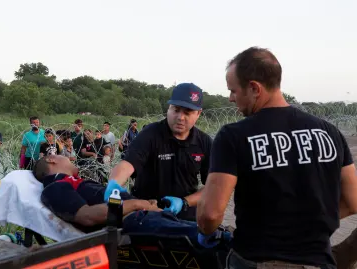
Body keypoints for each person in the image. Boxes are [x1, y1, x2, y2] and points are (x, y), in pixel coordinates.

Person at [196, 47, 357, 269]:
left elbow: (210, 214)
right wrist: (308, 228)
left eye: (233, 90)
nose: (231, 98)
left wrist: (205, 230)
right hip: (318, 262)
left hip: (257, 260)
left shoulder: (233, 135)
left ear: (254, 88)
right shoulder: (330, 132)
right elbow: (352, 200)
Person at [34, 154, 231, 245]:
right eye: (61, 155)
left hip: (142, 218)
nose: (70, 158)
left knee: (213, 236)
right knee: (213, 241)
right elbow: (88, 216)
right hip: (133, 223)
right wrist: (137, 204)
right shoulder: (55, 187)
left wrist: (147, 203)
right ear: (51, 159)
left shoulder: (73, 182)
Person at [105, 83, 213, 221]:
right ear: (169, 108)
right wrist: (113, 184)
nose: (180, 117)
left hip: (185, 216)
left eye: (187, 112)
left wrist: (185, 202)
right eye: (176, 110)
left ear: (198, 113)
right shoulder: (150, 134)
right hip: (147, 212)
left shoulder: (204, 142)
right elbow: (127, 164)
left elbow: (212, 187)